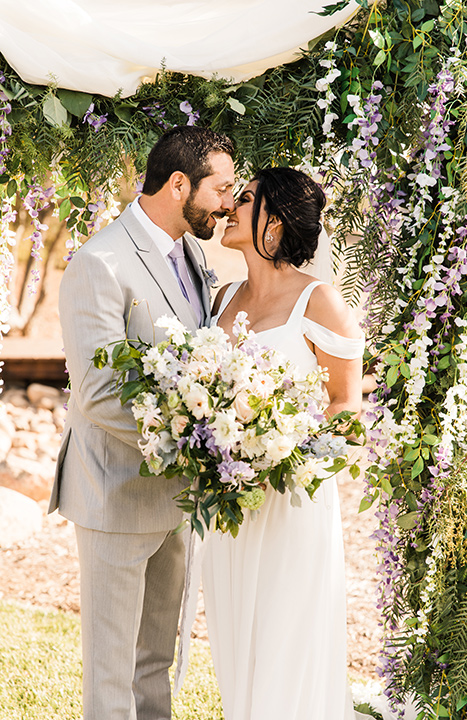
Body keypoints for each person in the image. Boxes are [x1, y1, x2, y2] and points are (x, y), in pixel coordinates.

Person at [48, 125, 235, 720]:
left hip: (176, 498)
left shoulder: (192, 252)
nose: (228, 203)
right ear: (180, 186)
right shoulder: (99, 263)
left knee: (154, 661)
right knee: (112, 671)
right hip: (116, 493)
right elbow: (100, 392)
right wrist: (197, 440)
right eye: (221, 188)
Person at [202, 166, 368, 720]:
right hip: (231, 505)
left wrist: (290, 454)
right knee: (237, 643)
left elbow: (346, 406)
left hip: (290, 503)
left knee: (284, 646)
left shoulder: (318, 302)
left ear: (273, 223)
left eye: (244, 199)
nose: (230, 207)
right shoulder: (221, 299)